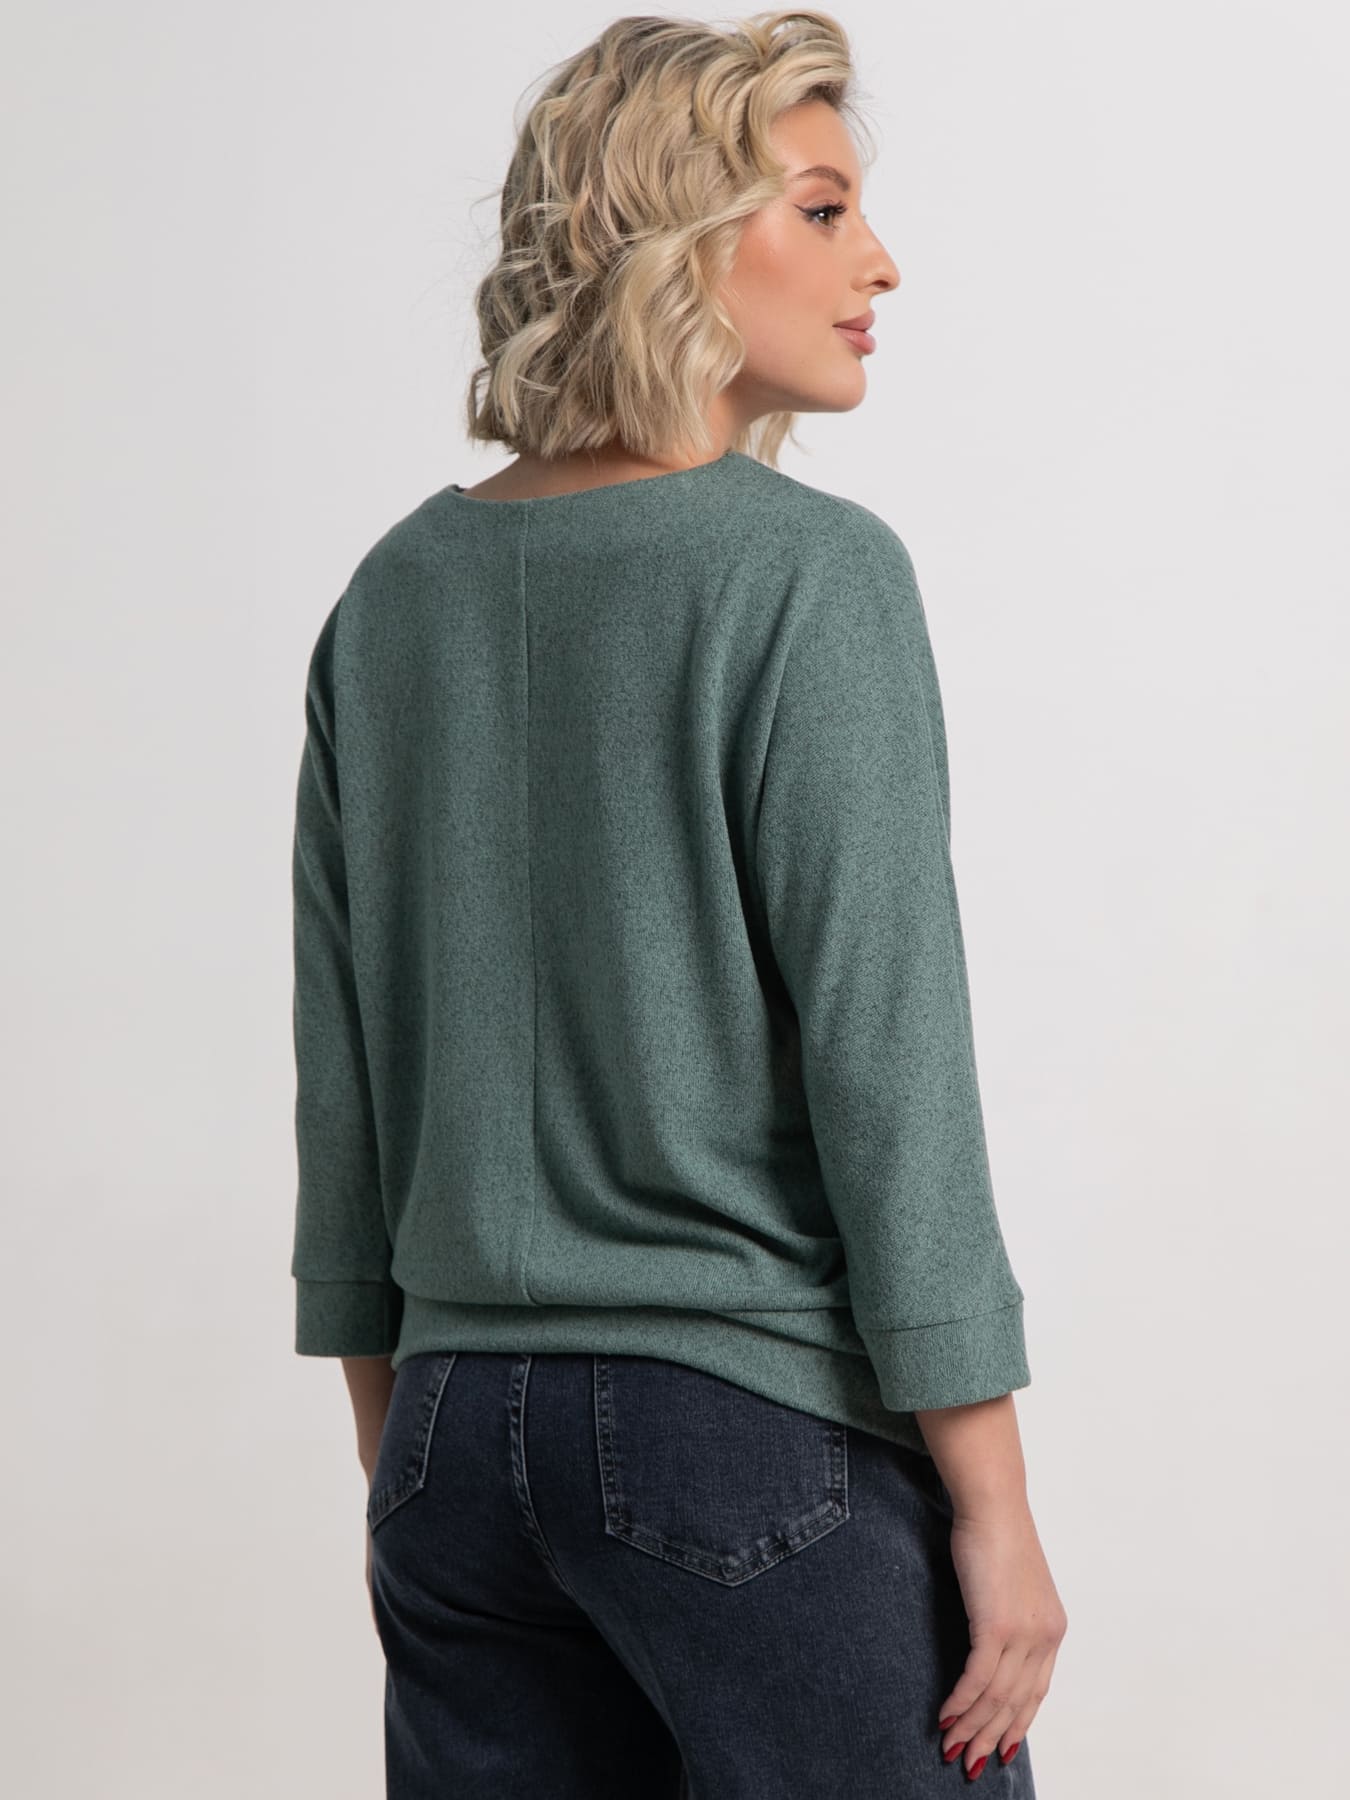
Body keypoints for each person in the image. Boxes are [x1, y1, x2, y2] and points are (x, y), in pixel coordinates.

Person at [289, 10, 1067, 1795]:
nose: (878, 262)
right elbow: (887, 1062)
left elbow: (346, 1078)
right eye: (820, 209)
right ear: (667, 236)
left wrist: (403, 1460)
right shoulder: (807, 577)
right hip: (743, 1431)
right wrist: (995, 1505)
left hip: (447, 1441)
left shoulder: (391, 597)